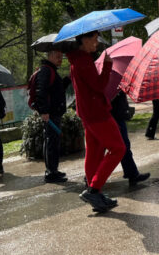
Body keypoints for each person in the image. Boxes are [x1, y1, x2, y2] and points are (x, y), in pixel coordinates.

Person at [66, 31, 126, 213]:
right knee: (118, 149)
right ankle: (93, 190)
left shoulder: (78, 59)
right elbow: (99, 86)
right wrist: (107, 65)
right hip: (97, 113)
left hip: (88, 112)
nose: (97, 43)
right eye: (94, 39)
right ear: (84, 40)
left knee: (94, 152)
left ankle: (95, 193)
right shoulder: (83, 61)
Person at [33, 49, 71, 183]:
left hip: (53, 112)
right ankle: (51, 172)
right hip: (50, 113)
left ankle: (53, 170)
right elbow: (41, 91)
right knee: (51, 141)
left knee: (53, 141)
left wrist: (67, 79)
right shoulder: (46, 70)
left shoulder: (51, 70)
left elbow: (57, 90)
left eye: (61, 56)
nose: (60, 59)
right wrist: (44, 111)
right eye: (57, 56)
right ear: (50, 56)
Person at [110, 90, 151, 186]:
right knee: (122, 147)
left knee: (124, 147)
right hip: (115, 117)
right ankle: (132, 174)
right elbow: (109, 98)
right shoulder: (112, 84)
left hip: (118, 116)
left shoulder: (116, 84)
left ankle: (132, 174)